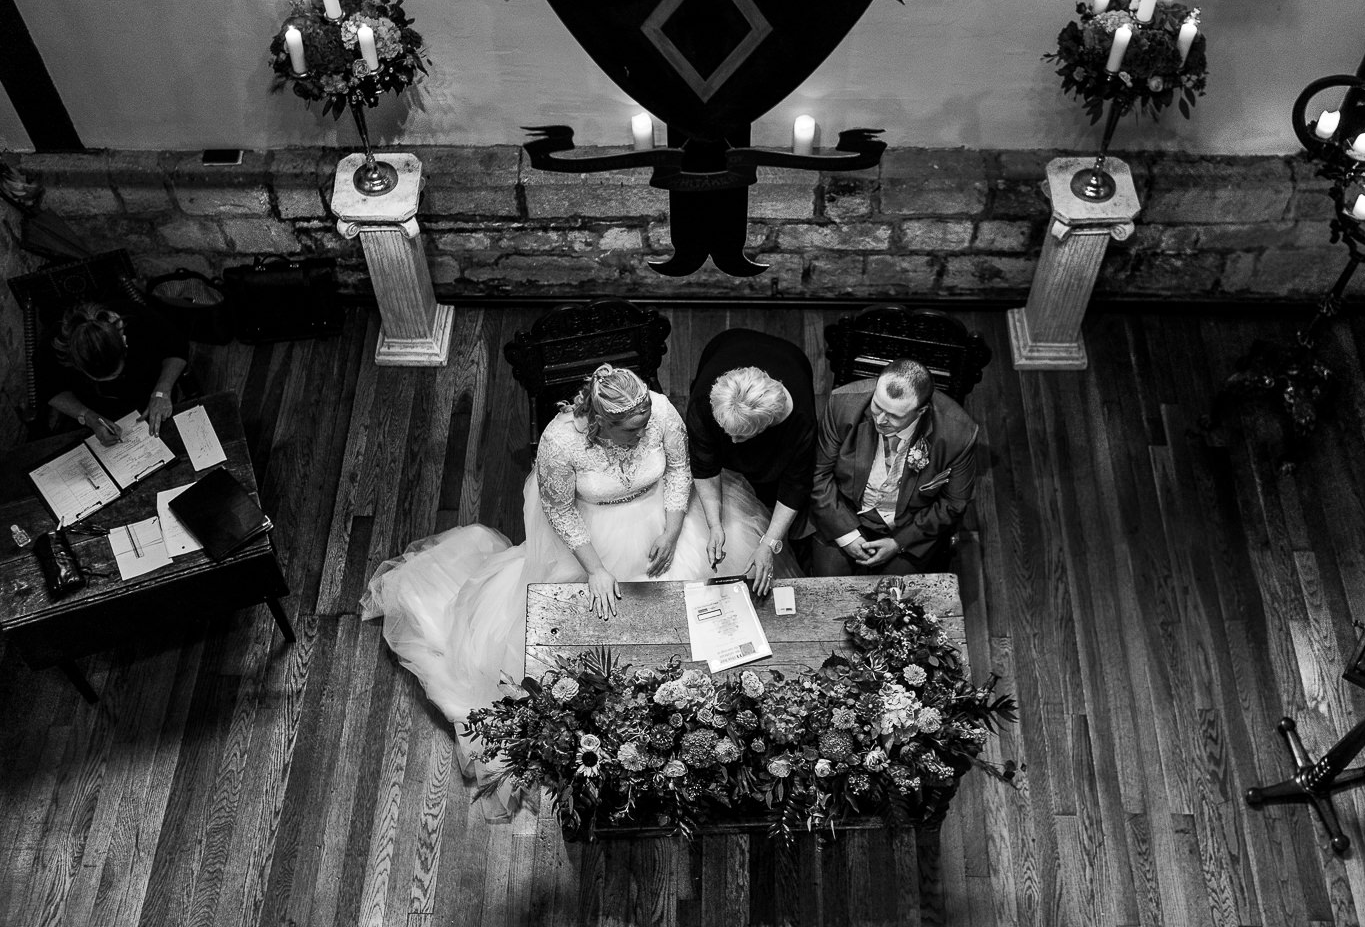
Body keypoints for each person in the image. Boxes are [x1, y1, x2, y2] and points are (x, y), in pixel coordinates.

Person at [361, 365, 791, 798]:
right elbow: (560, 510)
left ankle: (695, 702)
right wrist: (596, 570)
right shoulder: (560, 441)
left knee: (698, 604)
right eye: (632, 430)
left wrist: (673, 530)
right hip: (595, 534)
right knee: (602, 628)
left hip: (665, 517)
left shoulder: (660, 411)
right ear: (601, 422)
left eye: (646, 423)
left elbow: (680, 469)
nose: (643, 434)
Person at [807, 358, 979, 576]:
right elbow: (817, 474)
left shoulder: (958, 434)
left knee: (896, 592)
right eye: (877, 406)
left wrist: (899, 542)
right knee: (827, 584)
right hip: (843, 512)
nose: (880, 420)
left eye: (894, 416)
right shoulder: (842, 404)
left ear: (921, 411)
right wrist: (847, 535)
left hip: (909, 527)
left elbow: (953, 503)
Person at [685, 329, 816, 598]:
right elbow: (704, 465)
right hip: (728, 343)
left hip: (790, 358)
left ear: (768, 423)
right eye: (726, 432)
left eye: (741, 436)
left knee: (770, 488)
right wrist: (715, 524)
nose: (732, 442)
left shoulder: (800, 422)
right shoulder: (703, 401)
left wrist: (769, 542)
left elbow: (795, 485)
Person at [41, 301, 188, 442]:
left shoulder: (136, 317)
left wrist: (162, 391)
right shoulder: (55, 345)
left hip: (151, 396)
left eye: (115, 374)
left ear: (124, 342)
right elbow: (49, 389)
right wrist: (88, 417)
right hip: (95, 409)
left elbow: (178, 348)